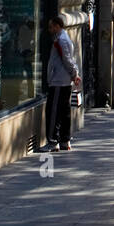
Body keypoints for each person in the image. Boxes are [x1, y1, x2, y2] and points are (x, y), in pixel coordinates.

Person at [45, 15, 80, 151]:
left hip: (59, 81)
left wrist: (74, 73)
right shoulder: (63, 39)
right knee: (64, 110)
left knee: (54, 111)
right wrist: (74, 73)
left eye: (51, 26)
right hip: (63, 80)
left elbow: (67, 59)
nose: (49, 29)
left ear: (57, 26)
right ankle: (65, 140)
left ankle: (53, 140)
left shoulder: (61, 40)